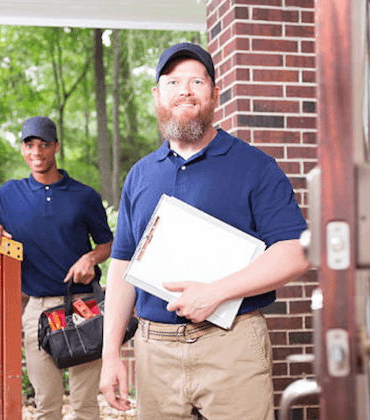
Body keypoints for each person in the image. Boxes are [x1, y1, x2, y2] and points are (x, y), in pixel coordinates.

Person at [99, 43, 311, 420]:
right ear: (157, 95)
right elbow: (122, 266)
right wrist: (110, 353)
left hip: (232, 345)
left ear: (214, 93)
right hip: (154, 351)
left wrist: (215, 293)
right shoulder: (140, 176)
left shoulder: (256, 167)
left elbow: (295, 252)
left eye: (197, 80)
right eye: (173, 81)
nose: (185, 90)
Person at [0, 116, 113, 420]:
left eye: (44, 144)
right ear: (22, 149)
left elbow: (108, 244)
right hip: (38, 311)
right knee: (47, 406)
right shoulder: (7, 196)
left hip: (83, 306)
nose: (36, 151)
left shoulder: (84, 196)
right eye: (29, 144)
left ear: (55, 147)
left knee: (85, 405)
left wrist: (90, 259)